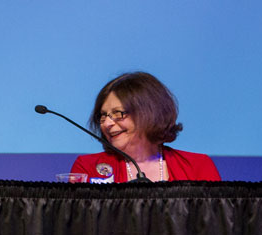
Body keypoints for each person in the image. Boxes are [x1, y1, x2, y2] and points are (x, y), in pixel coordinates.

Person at [71, 71, 220, 183]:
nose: (107, 123)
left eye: (118, 113)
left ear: (149, 113)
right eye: (103, 115)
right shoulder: (87, 167)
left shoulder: (197, 166)